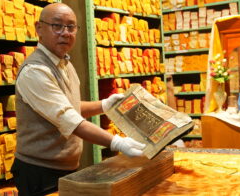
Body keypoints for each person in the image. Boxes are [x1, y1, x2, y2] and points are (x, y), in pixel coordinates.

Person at [11, 3, 145, 196]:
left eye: (71, 27)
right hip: (39, 171)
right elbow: (69, 119)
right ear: (39, 29)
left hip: (65, 167)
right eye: (57, 26)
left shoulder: (65, 63)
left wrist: (104, 105)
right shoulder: (35, 71)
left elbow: (69, 107)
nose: (65, 33)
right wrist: (116, 143)